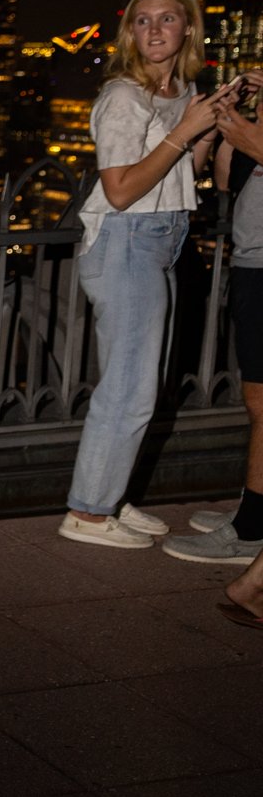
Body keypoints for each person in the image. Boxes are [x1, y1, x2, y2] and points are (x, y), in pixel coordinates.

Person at [58, 0, 236, 548]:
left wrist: (206, 124)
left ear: (188, 29)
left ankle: (109, 495)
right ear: (128, 32)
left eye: (167, 19)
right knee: (129, 388)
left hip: (161, 240)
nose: (155, 30)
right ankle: (87, 514)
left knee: (141, 382)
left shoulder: (179, 91)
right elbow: (119, 190)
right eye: (142, 20)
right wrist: (184, 131)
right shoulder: (123, 97)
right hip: (126, 241)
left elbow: (189, 169)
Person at [160, 77, 263, 565]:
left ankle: (251, 533)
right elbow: (227, 180)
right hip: (252, 262)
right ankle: (254, 513)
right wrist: (233, 125)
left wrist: (255, 140)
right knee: (259, 400)